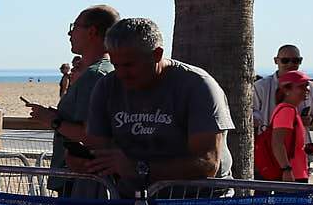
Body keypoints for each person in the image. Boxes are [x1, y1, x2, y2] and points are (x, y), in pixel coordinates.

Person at [85, 17, 233, 191]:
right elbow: (98, 148)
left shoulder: (198, 86)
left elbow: (207, 164)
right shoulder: (106, 86)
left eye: (129, 65)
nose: (121, 74)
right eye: (116, 65)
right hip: (133, 200)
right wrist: (86, 161)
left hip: (197, 203)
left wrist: (140, 169)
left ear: (157, 54)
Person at [24, 5, 119, 196]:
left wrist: (53, 120)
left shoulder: (94, 75)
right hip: (84, 179)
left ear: (92, 31)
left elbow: (90, 134)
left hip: (79, 181)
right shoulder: (105, 70)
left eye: (74, 27)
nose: (69, 33)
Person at [252, 43, 313, 150]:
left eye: (295, 60)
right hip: (269, 147)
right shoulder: (261, 86)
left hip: (299, 147)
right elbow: (253, 115)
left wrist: (309, 120)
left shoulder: (308, 87)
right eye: (285, 60)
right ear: (276, 61)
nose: (290, 64)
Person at [255, 68, 313, 183]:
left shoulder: (291, 109)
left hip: (297, 172)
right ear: (286, 90)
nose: (307, 89)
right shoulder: (287, 111)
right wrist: (286, 170)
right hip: (292, 175)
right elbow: (277, 143)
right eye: (301, 86)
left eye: (306, 85)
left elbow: (290, 143)